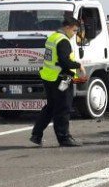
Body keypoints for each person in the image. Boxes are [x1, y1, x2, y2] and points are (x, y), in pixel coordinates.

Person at [30, 15, 85, 147]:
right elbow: (65, 61)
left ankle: (36, 135)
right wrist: (78, 65)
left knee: (51, 107)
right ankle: (64, 138)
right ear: (67, 27)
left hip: (49, 78)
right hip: (62, 79)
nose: (75, 34)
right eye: (74, 30)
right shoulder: (63, 41)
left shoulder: (53, 37)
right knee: (63, 107)